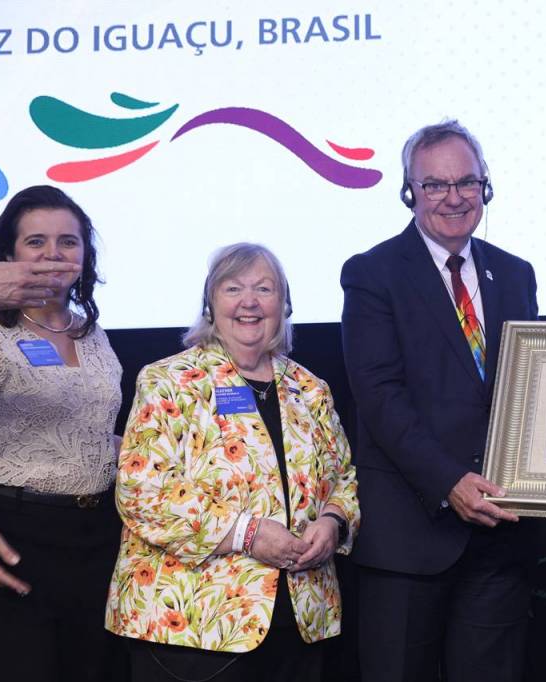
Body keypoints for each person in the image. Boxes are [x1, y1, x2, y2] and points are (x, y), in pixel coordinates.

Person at [340, 120, 539, 682]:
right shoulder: (371, 273)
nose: (454, 197)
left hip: (500, 532)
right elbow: (379, 397)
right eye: (435, 185)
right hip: (410, 535)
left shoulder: (515, 274)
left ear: (485, 185)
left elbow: (526, 388)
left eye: (466, 182)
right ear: (410, 191)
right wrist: (450, 481)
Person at [106, 243, 359, 682]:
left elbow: (344, 477)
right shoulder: (169, 381)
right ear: (210, 302)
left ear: (284, 304)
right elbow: (141, 491)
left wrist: (334, 521)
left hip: (299, 624)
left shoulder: (310, 388)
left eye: (264, 289)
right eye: (233, 288)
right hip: (192, 627)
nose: (249, 302)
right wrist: (247, 533)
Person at [0, 185, 124, 681]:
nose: (53, 254)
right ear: (7, 256)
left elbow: (91, 431)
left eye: (68, 242)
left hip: (98, 539)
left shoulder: (90, 332)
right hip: (16, 539)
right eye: (36, 241)